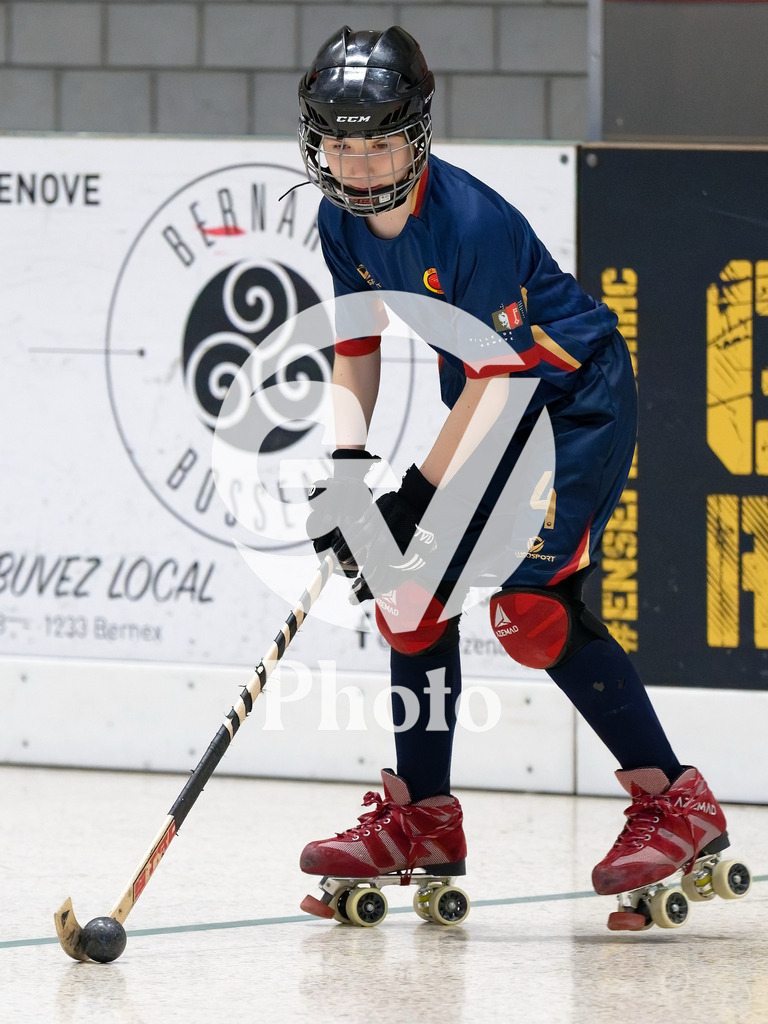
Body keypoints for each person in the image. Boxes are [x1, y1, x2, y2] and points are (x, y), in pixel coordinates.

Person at [295, 25, 732, 928]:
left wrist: (412, 493)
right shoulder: (341, 223)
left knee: (531, 608)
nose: (361, 162)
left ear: (415, 134)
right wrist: (345, 473)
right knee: (409, 599)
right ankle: (422, 817)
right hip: (487, 402)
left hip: (571, 405)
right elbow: (355, 350)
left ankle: (676, 805)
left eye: (378, 140)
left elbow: (506, 377)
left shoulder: (471, 223)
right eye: (342, 142)